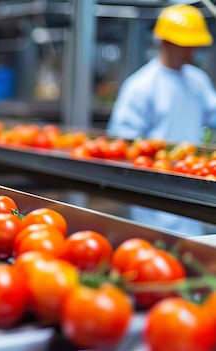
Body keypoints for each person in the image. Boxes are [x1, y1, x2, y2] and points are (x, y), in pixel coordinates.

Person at [107, 4, 216, 236]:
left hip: (193, 180)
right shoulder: (141, 86)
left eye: (194, 45)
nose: (191, 52)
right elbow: (123, 143)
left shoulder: (197, 81)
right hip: (155, 191)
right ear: (164, 42)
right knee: (156, 243)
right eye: (184, 45)